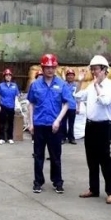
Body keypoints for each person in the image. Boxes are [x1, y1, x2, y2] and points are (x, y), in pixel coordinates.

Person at [74, 55, 111, 204]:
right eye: (92, 69)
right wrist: (80, 81)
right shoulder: (90, 86)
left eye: (96, 69)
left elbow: (105, 101)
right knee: (91, 159)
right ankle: (93, 188)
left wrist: (97, 86)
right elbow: (77, 97)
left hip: (103, 126)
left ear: (104, 70)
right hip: (90, 125)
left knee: (105, 159)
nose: (94, 72)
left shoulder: (110, 85)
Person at [27, 54, 72, 194]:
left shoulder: (61, 84)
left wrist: (58, 120)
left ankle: (58, 182)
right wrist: (30, 123)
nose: (50, 70)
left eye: (52, 67)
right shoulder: (35, 85)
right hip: (39, 125)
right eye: (47, 67)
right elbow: (31, 103)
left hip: (55, 127)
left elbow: (66, 103)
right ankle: (38, 182)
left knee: (55, 156)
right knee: (38, 156)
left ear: (55, 68)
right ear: (42, 68)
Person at [0, 68, 20, 145]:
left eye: (9, 75)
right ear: (4, 77)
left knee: (10, 123)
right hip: (3, 106)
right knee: (2, 122)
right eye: (6, 75)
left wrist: (17, 106)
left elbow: (16, 97)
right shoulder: (1, 86)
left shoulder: (14, 86)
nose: (8, 77)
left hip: (11, 106)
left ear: (11, 77)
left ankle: (10, 138)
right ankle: (1, 138)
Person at [61, 69, 78, 144]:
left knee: (71, 124)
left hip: (72, 107)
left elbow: (78, 96)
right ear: (66, 76)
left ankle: (71, 138)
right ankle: (63, 137)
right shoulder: (63, 84)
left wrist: (78, 107)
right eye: (68, 75)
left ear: (74, 76)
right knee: (63, 123)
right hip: (64, 107)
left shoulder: (76, 85)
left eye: (72, 75)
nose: (70, 77)